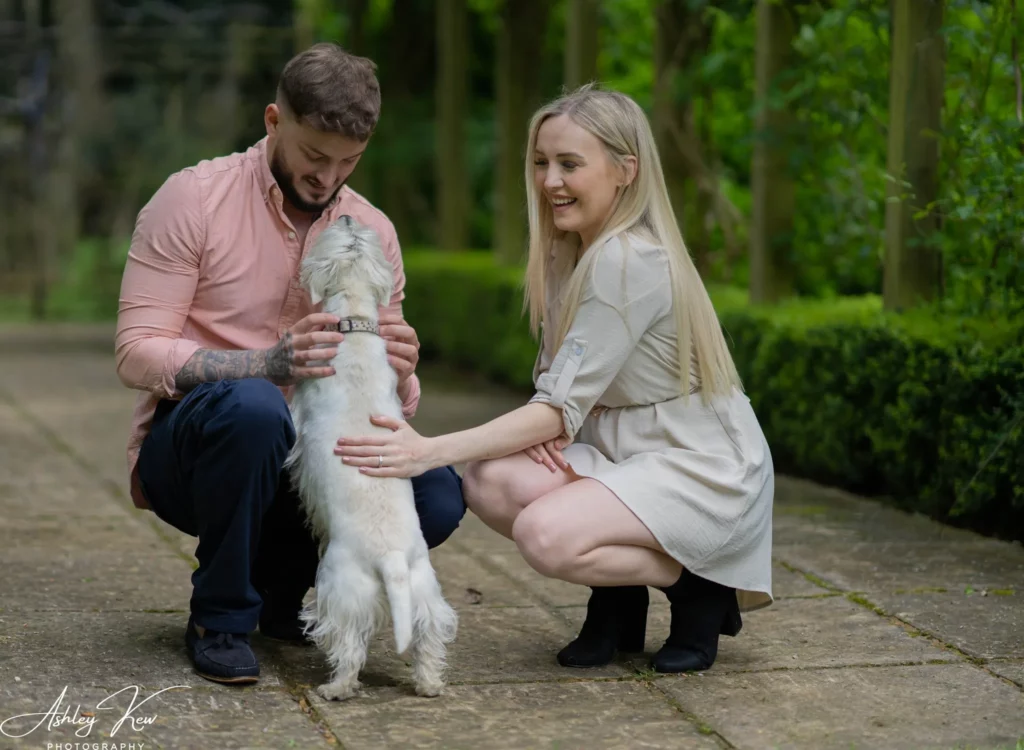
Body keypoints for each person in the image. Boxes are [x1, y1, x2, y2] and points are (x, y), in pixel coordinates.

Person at [334, 85, 774, 674]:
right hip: (621, 449)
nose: (549, 181)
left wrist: (426, 450)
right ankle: (617, 603)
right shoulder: (570, 252)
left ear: (625, 171)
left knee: (547, 535)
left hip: (699, 463)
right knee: (490, 482)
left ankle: (699, 583)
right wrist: (556, 419)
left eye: (570, 164)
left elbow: (554, 410)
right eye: (542, 163)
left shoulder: (629, 259)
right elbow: (557, 395)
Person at [113, 43, 465, 685]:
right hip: (198, 451)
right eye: (313, 154)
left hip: (313, 461)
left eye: (349, 162)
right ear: (274, 121)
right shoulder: (192, 199)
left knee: (436, 492)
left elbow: (390, 407)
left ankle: (282, 600)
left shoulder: (372, 230)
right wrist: (266, 362)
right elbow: (137, 352)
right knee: (252, 410)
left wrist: (404, 370)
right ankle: (218, 617)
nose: (328, 178)